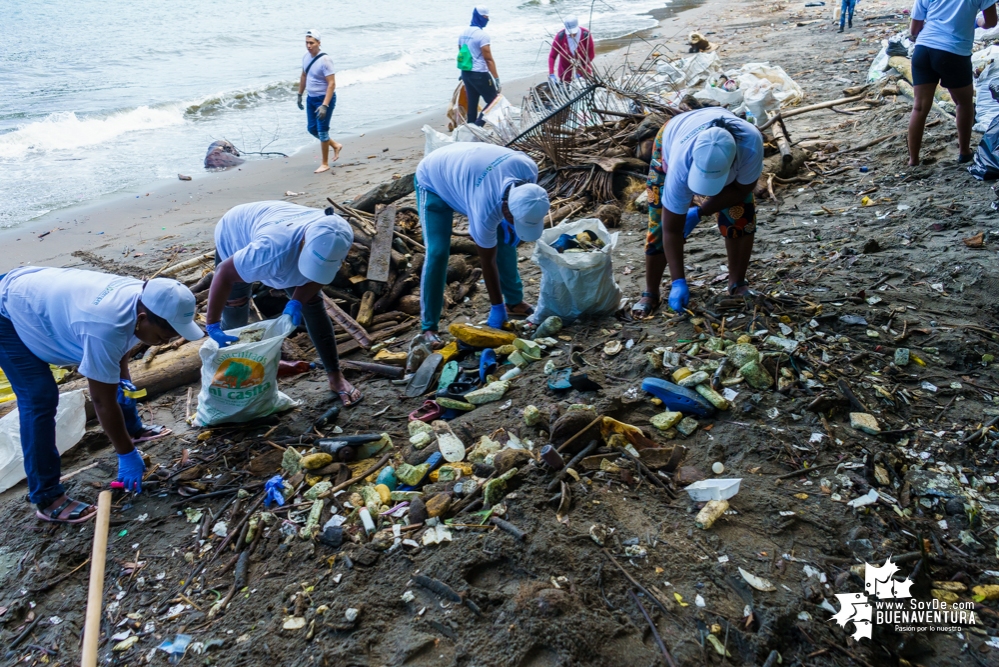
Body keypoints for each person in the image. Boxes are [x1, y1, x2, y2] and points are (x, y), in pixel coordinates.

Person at [0, 269, 204, 523]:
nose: (165, 343)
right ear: (142, 318)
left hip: (36, 292)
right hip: (7, 309)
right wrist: (126, 454)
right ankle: (47, 497)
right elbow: (101, 400)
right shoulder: (104, 327)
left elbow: (120, 354)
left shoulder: (144, 297)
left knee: (115, 373)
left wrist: (129, 426)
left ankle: (133, 428)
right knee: (39, 398)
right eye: (162, 337)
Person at [205, 201, 361, 406]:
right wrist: (212, 324)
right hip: (237, 231)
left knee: (312, 304)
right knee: (235, 307)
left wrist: (297, 301)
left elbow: (321, 276)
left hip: (278, 229)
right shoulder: (270, 252)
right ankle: (239, 383)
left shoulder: (338, 233)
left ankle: (335, 377)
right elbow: (224, 273)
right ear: (304, 244)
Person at [414, 143, 550, 347]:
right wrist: (496, 307)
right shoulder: (484, 209)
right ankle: (428, 328)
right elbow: (487, 261)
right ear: (505, 209)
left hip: (469, 170)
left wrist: (511, 227)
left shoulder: (529, 171)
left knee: (505, 238)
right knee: (438, 252)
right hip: (433, 179)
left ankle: (513, 301)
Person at [632, 107, 764, 318]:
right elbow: (671, 229)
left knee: (741, 213)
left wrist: (700, 212)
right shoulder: (679, 164)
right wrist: (678, 281)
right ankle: (651, 293)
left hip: (721, 143)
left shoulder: (751, 144)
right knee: (658, 220)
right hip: (673, 133)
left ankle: (737, 283)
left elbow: (742, 189)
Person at [907, 0, 997, 165]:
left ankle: (913, 160)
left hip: (923, 50)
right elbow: (991, 22)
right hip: (954, 52)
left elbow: (914, 30)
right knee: (963, 103)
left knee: (919, 107)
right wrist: (977, 21)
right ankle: (964, 151)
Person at [297, 30, 343, 173]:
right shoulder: (305, 57)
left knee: (322, 131)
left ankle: (325, 163)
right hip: (311, 98)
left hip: (324, 99)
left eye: (311, 43)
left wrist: (325, 105)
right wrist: (299, 94)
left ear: (319, 43)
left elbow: (331, 84)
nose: (309, 46)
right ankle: (335, 145)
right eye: (307, 43)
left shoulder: (325, 60)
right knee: (312, 128)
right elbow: (304, 76)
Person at [457, 6, 500, 125]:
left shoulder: (463, 34)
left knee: (472, 104)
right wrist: (496, 78)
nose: (487, 20)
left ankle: (470, 129)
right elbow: (488, 59)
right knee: (494, 102)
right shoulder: (482, 35)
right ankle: (477, 126)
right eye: (486, 17)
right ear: (480, 17)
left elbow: (461, 54)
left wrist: (462, 73)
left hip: (466, 74)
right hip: (480, 74)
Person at [548, 15, 594, 84]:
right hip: (565, 68)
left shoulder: (585, 34)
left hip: (583, 67)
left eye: (574, 32)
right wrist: (551, 73)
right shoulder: (560, 36)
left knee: (584, 85)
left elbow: (591, 55)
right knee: (565, 85)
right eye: (570, 33)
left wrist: (580, 69)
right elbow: (552, 56)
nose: (572, 34)